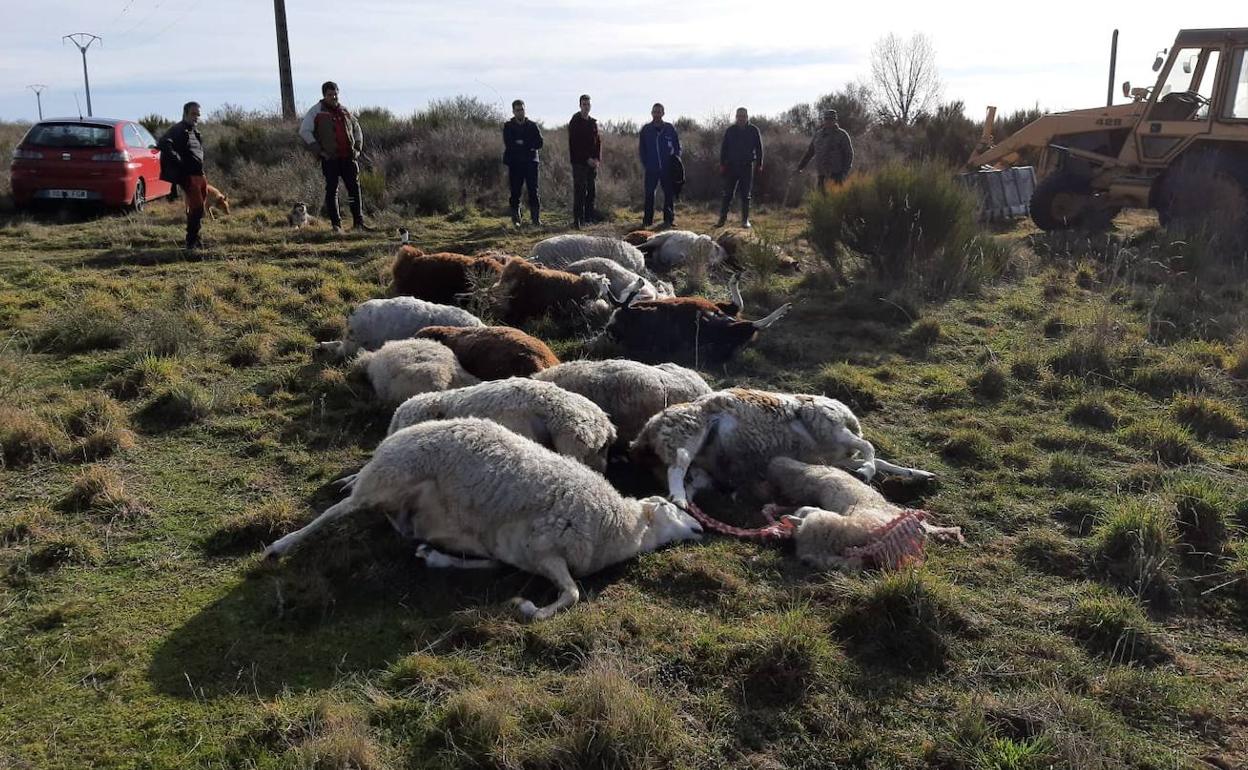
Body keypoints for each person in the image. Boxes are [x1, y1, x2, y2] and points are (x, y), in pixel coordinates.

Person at [299, 81, 370, 233]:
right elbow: (304, 131)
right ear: (324, 95)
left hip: (348, 157)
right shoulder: (316, 111)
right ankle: (336, 225)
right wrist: (319, 150)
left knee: (354, 190)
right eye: (330, 94)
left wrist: (357, 148)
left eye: (335, 93)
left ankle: (358, 223)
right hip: (330, 158)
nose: (334, 97)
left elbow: (357, 129)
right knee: (332, 191)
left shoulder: (344, 111)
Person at [158, 101, 206, 250]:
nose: (196, 117)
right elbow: (164, 143)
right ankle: (191, 242)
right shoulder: (178, 128)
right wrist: (178, 161)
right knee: (197, 208)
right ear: (185, 113)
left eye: (198, 114)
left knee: (199, 209)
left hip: (199, 174)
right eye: (193, 114)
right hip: (189, 175)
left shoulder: (194, 131)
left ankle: (195, 239)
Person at [716, 106, 764, 228]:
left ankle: (745, 220)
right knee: (727, 194)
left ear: (747, 117)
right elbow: (724, 148)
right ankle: (722, 219)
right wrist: (722, 164)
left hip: (746, 167)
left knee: (745, 195)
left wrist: (759, 163)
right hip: (731, 166)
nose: (741, 118)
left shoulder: (753, 130)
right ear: (736, 117)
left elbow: (759, 148)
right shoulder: (730, 130)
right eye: (739, 116)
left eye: (743, 116)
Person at [638, 102, 681, 227]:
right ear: (652, 113)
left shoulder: (669, 128)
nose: (657, 114)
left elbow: (677, 146)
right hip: (651, 169)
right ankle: (647, 221)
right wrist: (646, 163)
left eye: (659, 112)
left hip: (667, 168)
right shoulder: (646, 130)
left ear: (663, 113)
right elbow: (642, 149)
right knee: (649, 194)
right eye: (655, 112)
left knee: (669, 194)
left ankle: (669, 220)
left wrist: (675, 160)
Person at [503, 99, 543, 227]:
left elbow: (539, 143)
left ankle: (536, 220)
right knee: (515, 192)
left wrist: (523, 143)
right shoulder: (508, 126)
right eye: (517, 110)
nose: (520, 112)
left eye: (522, 109)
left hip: (531, 163)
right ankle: (516, 219)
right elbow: (509, 144)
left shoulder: (532, 125)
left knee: (533, 191)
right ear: (513, 111)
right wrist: (527, 144)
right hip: (515, 163)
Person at [797, 109, 855, 192]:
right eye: (826, 119)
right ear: (824, 120)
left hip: (836, 175)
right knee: (821, 201)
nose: (829, 121)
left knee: (836, 201)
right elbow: (810, 152)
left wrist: (844, 172)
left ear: (835, 120)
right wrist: (800, 167)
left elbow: (849, 155)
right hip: (822, 175)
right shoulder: (818, 135)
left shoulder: (842, 135)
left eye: (831, 119)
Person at [568, 94, 602, 228]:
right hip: (579, 163)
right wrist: (586, 158)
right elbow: (575, 144)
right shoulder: (575, 122)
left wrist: (597, 159)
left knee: (591, 191)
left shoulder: (592, 123)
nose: (586, 107)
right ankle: (578, 220)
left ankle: (588, 218)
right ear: (580, 105)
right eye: (584, 104)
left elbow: (598, 142)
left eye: (588, 104)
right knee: (580, 191)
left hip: (592, 164)